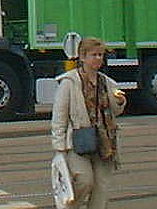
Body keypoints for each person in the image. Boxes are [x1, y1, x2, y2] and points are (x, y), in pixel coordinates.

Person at [51, 37, 127, 209]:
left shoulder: (106, 82)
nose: (98, 59)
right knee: (84, 181)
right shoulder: (69, 82)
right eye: (94, 55)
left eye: (101, 55)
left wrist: (120, 102)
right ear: (82, 57)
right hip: (79, 141)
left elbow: (116, 111)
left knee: (101, 187)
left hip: (104, 142)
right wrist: (59, 149)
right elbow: (59, 117)